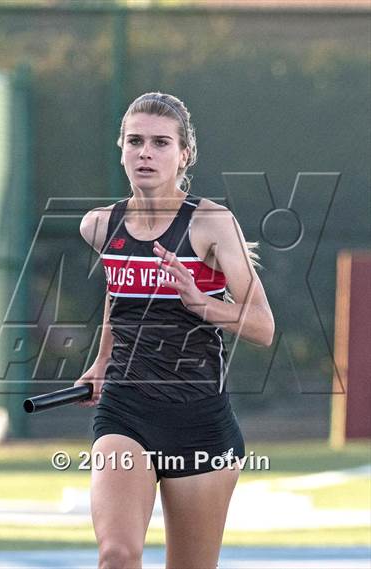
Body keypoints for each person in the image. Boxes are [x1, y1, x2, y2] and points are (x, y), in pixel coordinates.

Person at [76, 92, 275, 569]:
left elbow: (263, 327)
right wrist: (102, 361)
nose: (146, 152)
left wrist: (201, 303)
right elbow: (119, 294)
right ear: (121, 149)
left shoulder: (211, 223)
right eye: (136, 141)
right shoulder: (100, 226)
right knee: (117, 556)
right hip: (126, 414)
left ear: (184, 154)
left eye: (161, 143)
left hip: (200, 422)